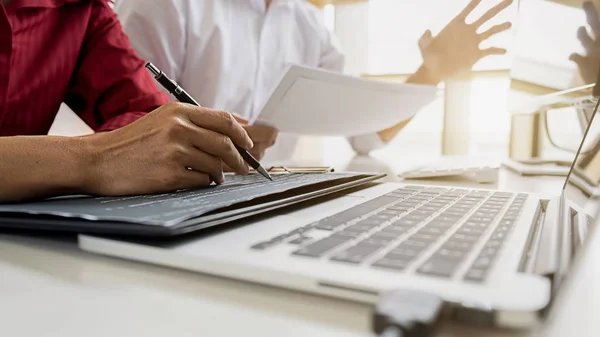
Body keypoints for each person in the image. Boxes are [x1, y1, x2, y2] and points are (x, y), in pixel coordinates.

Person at [116, 0, 513, 161]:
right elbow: (129, 137)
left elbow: (366, 134)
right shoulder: (165, 4)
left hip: (268, 204)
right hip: (174, 207)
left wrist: (433, 72)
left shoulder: (308, 23)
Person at [0, 0, 257, 203]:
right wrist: (96, 158)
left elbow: (147, 121)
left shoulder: (84, 9)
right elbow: (118, 150)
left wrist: (183, 136)